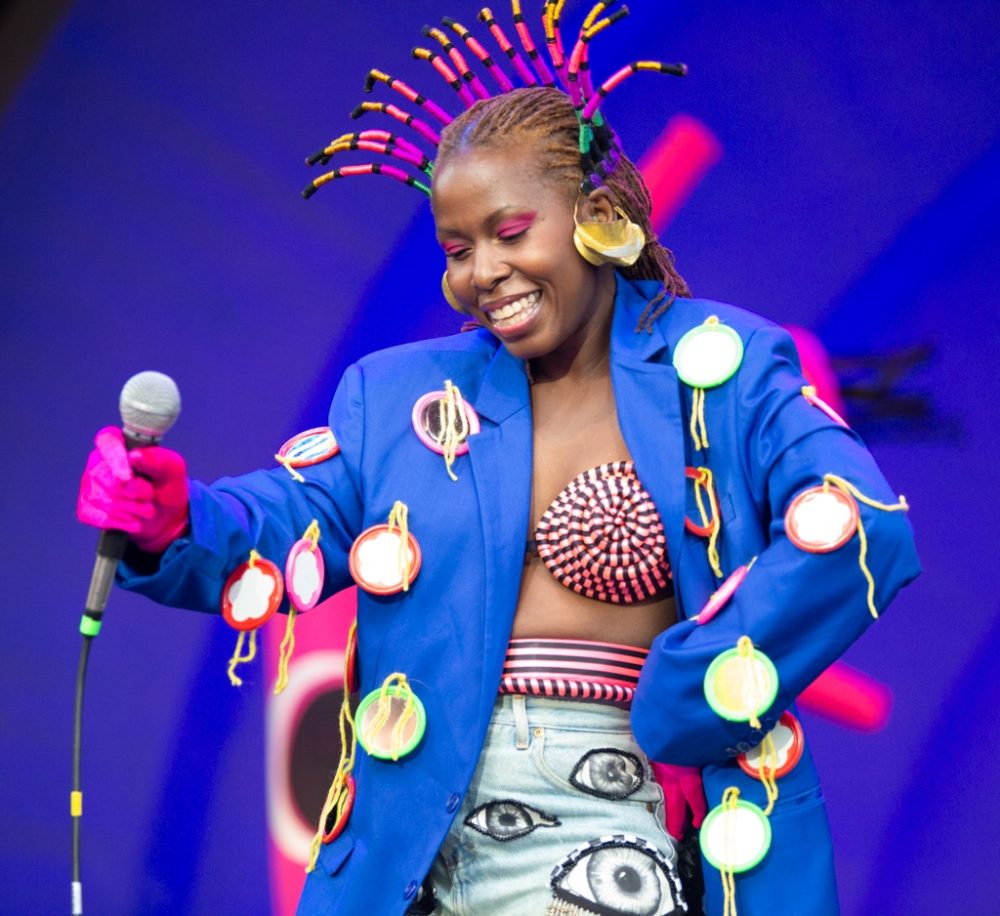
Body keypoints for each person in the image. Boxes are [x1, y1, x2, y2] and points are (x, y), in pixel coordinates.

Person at [76, 4, 920, 914]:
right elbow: (285, 521)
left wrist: (695, 697)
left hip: (617, 821)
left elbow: (859, 524)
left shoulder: (727, 370)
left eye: (511, 232)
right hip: (417, 840)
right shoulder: (396, 396)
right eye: (457, 249)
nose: (482, 271)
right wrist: (175, 520)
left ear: (597, 215)